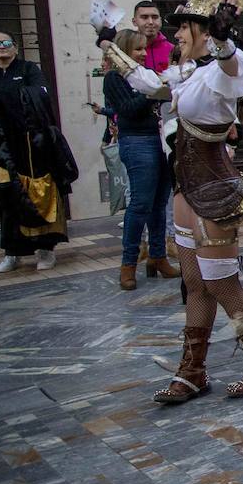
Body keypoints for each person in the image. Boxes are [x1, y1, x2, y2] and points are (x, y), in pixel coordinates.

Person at [99, 0, 243, 402]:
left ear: (204, 33)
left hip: (215, 192)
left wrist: (222, 40)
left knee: (223, 284)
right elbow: (150, 86)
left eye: (184, 28)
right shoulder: (186, 73)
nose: (175, 34)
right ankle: (193, 372)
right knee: (194, 282)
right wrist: (111, 45)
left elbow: (232, 66)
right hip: (186, 190)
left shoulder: (220, 75)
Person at [0, 31, 77, 273]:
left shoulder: (29, 69)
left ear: (15, 47)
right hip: (2, 146)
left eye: (6, 43)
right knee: (8, 197)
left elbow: (40, 95)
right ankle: (12, 253)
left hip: (34, 145)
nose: (1, 47)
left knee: (41, 194)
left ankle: (45, 249)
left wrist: (7, 98)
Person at [103, 28, 179, 290]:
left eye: (144, 48)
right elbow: (125, 110)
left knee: (159, 203)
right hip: (136, 141)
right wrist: (150, 95)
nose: (143, 53)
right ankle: (129, 263)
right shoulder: (114, 78)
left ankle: (158, 257)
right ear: (124, 49)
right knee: (141, 204)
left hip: (157, 141)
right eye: (137, 49)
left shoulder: (145, 75)